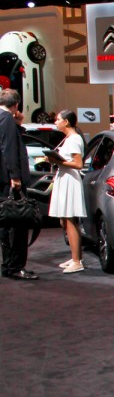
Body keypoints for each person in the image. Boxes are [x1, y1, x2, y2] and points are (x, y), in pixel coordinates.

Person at [0, 89, 37, 280]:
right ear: (16, 106)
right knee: (18, 224)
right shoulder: (5, 118)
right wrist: (15, 176)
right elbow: (9, 149)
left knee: (7, 224)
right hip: (11, 181)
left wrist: (18, 124)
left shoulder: (4, 118)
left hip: (4, 180)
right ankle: (15, 266)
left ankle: (8, 265)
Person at [47, 109, 87, 274]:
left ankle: (77, 261)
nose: (55, 122)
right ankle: (75, 257)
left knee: (69, 220)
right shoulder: (69, 138)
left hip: (70, 180)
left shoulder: (74, 139)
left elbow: (78, 164)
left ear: (66, 122)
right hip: (64, 179)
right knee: (65, 220)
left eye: (58, 119)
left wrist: (58, 161)